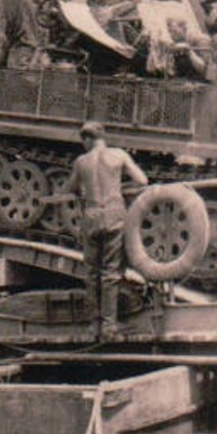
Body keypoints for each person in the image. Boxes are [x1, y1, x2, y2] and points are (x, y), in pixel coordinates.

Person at [67, 121, 149, 339]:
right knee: (111, 273)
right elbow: (142, 180)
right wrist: (118, 188)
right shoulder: (118, 155)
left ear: (87, 139)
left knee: (92, 273)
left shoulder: (81, 161)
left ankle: (93, 326)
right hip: (114, 215)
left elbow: (70, 188)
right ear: (103, 138)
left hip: (91, 217)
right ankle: (109, 327)